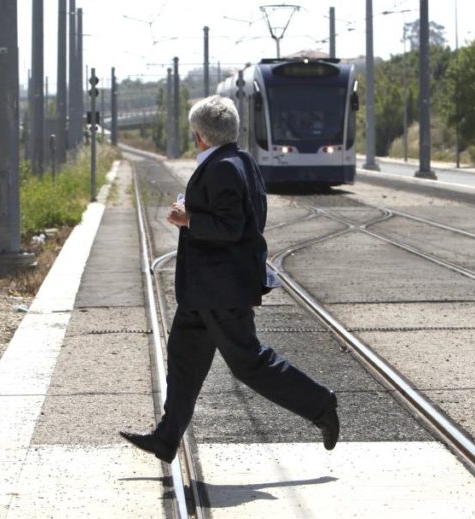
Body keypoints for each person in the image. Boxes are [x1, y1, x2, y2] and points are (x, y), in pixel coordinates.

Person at [120, 95, 339, 463]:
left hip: (220, 289)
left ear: (200, 136)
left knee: (248, 362)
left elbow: (232, 225)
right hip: (205, 289)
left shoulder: (222, 168)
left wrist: (188, 219)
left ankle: (320, 404)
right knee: (184, 357)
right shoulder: (242, 161)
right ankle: (167, 436)